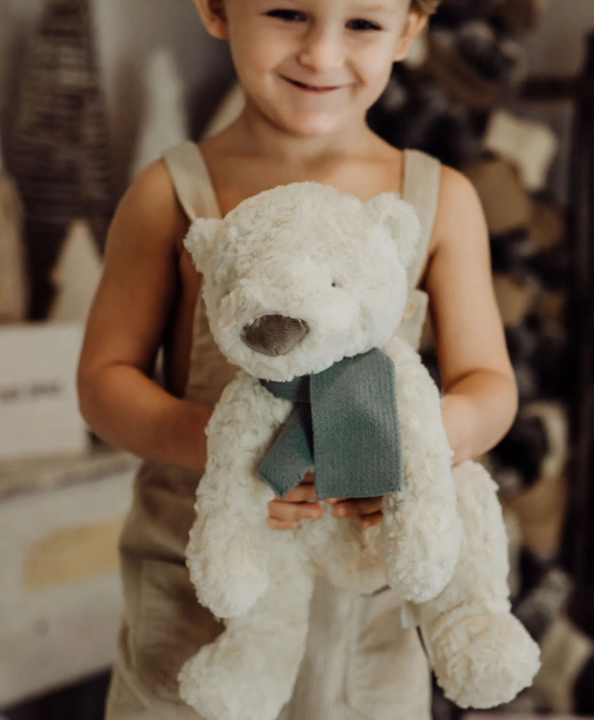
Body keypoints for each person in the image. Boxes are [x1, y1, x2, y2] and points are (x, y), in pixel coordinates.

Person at [77, 0, 518, 718]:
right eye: (288, 12)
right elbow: (103, 381)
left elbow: (490, 385)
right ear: (217, 10)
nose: (321, 53)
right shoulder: (169, 193)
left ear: (409, 30)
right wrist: (231, 453)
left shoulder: (442, 201)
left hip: (365, 600)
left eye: (364, 25)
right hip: (209, 592)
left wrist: (416, 449)